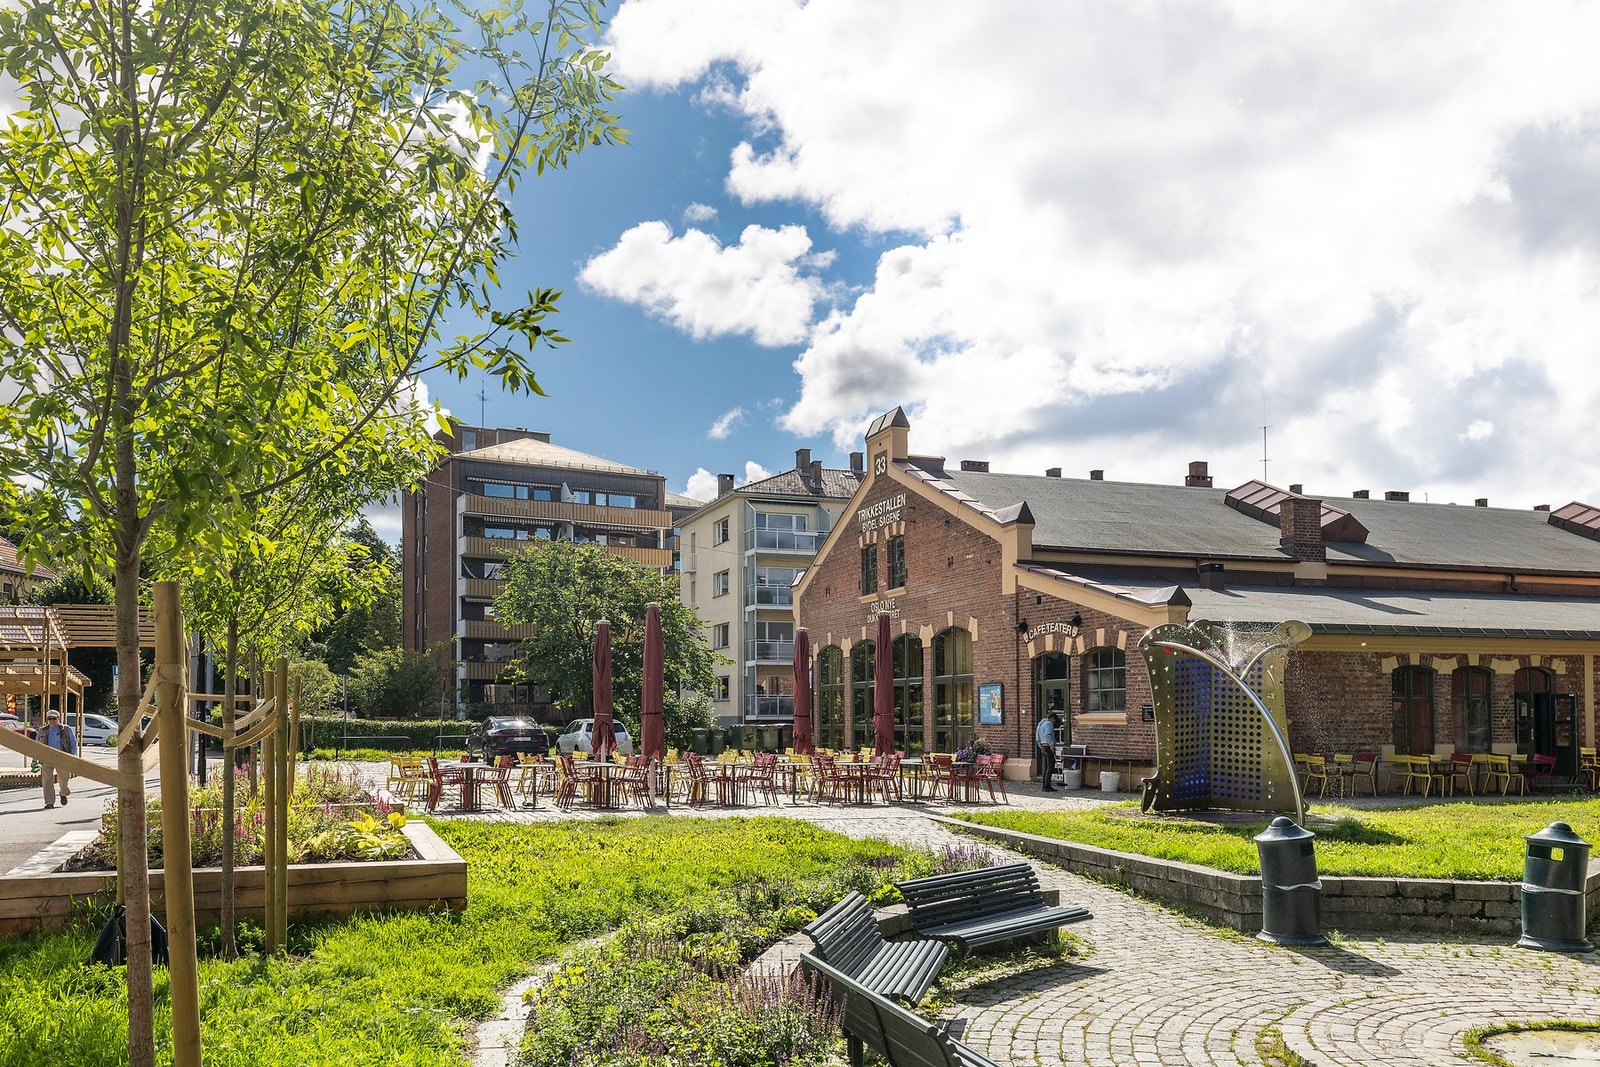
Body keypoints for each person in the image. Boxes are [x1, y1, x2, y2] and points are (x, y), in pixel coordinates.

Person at [38, 708, 77, 808]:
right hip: (47, 757)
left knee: (64, 779)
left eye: (54, 718)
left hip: (62, 756)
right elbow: (37, 745)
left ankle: (63, 793)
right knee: (47, 781)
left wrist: (72, 755)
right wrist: (35, 760)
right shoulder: (42, 730)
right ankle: (49, 802)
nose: (51, 721)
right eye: (49, 719)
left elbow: (73, 742)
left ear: (58, 718)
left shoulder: (66, 729)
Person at [1035, 711, 1060, 791]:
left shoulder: (1040, 724)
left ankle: (1044, 785)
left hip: (1043, 746)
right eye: (1054, 720)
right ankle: (1047, 785)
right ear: (1052, 718)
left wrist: (1040, 745)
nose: (1054, 722)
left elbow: (1037, 737)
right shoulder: (1049, 724)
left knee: (1045, 767)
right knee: (1050, 766)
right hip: (1048, 746)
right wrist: (1052, 744)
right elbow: (1048, 734)